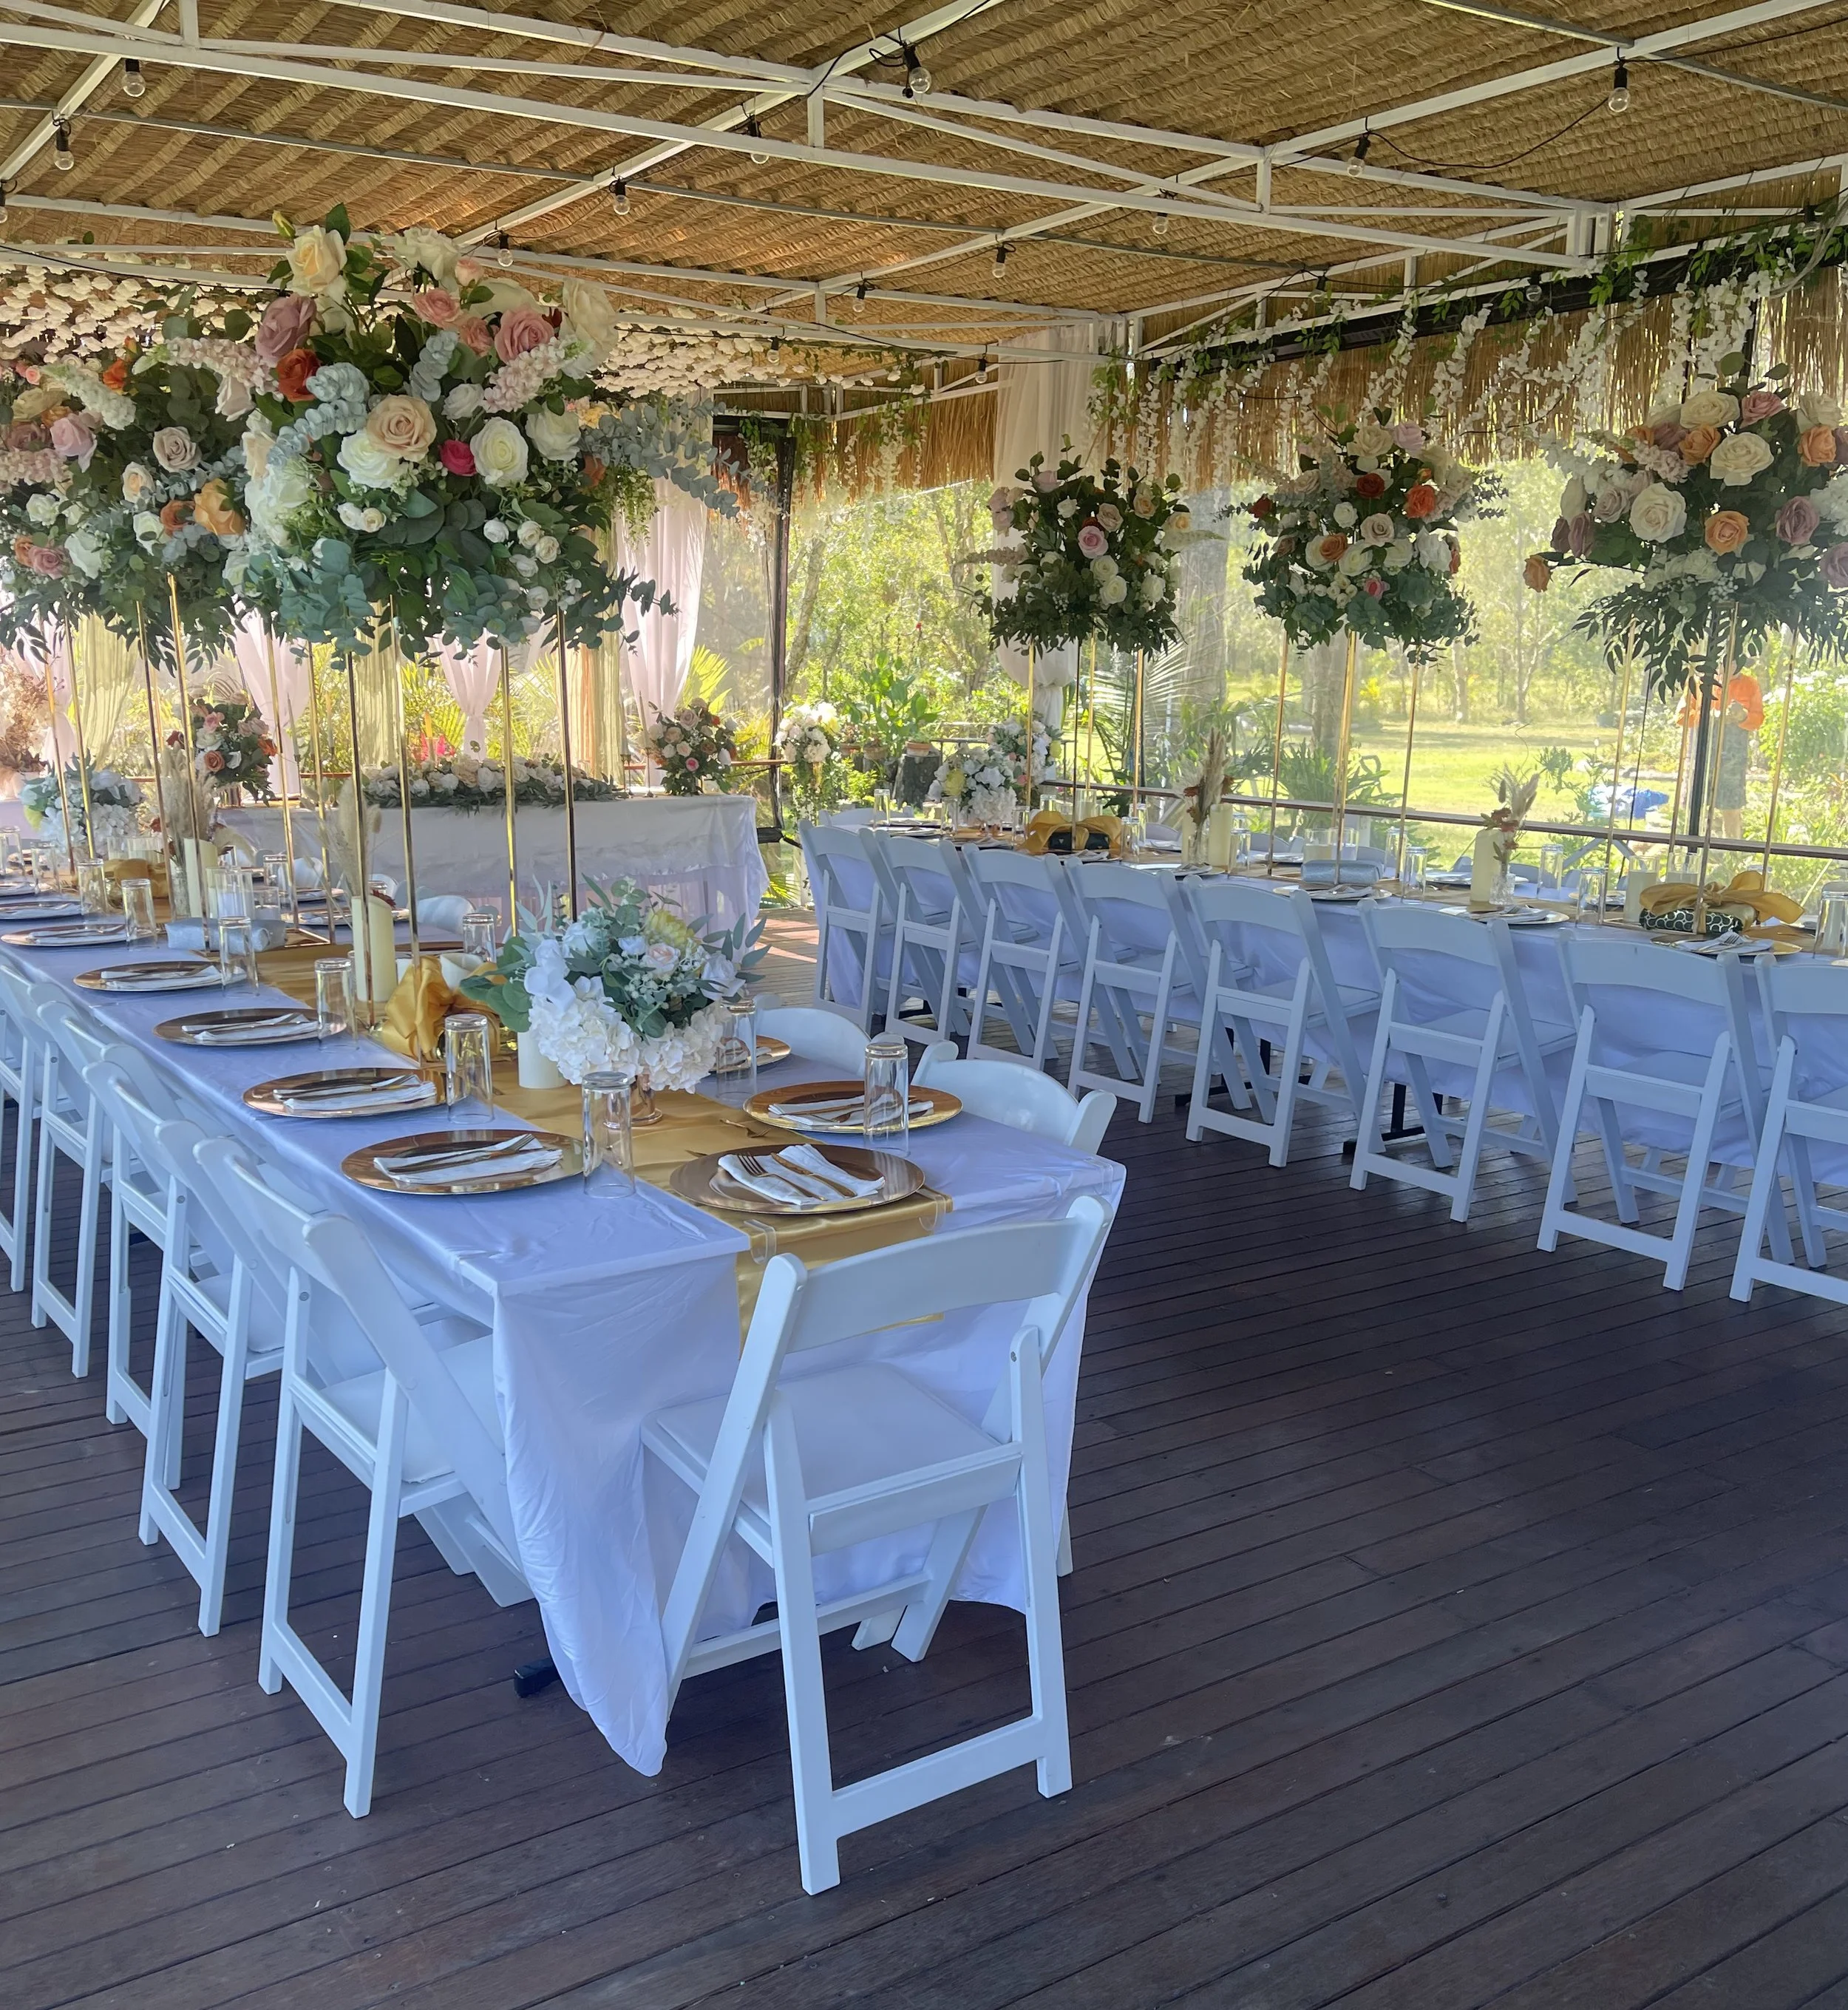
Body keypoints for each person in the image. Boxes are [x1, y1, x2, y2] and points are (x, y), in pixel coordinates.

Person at [1677, 668, 1764, 841]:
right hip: (1701, 755)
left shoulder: (1750, 684)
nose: (1728, 666)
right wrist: (1709, 716)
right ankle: (1687, 850)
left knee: (1731, 808)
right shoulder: (1699, 682)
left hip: (1733, 758)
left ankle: (1732, 854)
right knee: (1694, 807)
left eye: (1733, 660)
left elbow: (1758, 719)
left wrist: (1742, 716)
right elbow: (1682, 717)